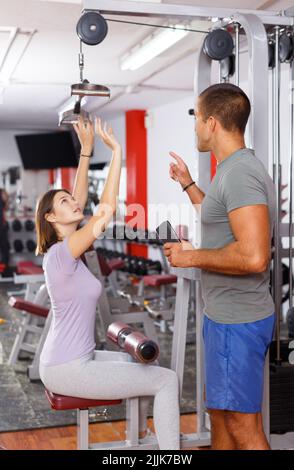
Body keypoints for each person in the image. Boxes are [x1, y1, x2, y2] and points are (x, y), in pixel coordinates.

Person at [35, 116, 179, 450]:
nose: (74, 202)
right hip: (66, 367)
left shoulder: (69, 249)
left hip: (75, 358)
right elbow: (106, 209)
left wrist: (86, 152)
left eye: (72, 199)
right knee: (167, 381)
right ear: (52, 218)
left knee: (144, 363)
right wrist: (117, 153)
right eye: (64, 203)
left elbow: (80, 199)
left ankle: (143, 440)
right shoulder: (60, 253)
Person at [164, 83, 276, 450]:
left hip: (237, 320)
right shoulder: (230, 170)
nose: (195, 125)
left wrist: (191, 256)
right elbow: (217, 219)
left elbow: (254, 256)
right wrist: (188, 184)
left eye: (196, 117)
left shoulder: (240, 173)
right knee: (221, 417)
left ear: (211, 122)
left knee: (243, 425)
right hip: (224, 316)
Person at [0, 188, 10, 272]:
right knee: (4, 249)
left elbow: (6, 207)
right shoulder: (2, 192)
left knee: (4, 249)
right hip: (1, 227)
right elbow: (6, 207)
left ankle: (3, 270)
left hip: (2, 227)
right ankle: (3, 270)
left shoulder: (2, 192)